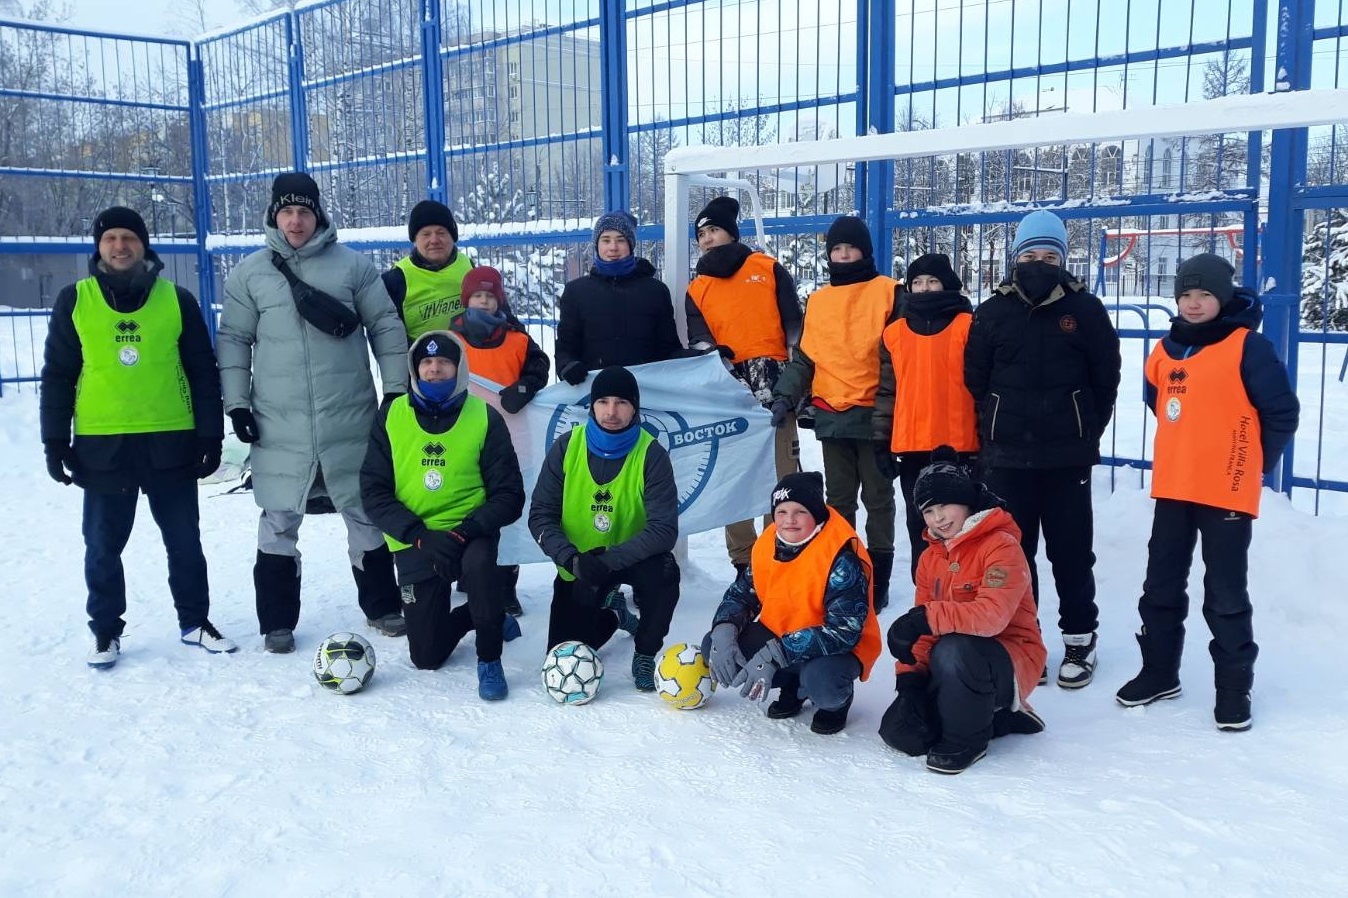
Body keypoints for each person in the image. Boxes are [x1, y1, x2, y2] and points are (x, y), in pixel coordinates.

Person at [217, 172, 410, 654]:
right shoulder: (250, 274)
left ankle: (383, 606)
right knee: (278, 518)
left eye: (305, 211)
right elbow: (234, 340)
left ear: (318, 215)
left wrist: (397, 390)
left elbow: (385, 324)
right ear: (274, 215)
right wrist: (237, 403)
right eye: (287, 211)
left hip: (349, 418)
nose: (296, 220)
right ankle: (277, 622)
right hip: (279, 422)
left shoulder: (353, 267)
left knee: (363, 512)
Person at [40, 206, 236, 667]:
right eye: (111, 239)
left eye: (129, 238)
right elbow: (59, 376)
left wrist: (210, 435)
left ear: (143, 245)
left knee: (185, 541)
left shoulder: (176, 299)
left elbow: (202, 372)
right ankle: (105, 631)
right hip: (103, 447)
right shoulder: (76, 300)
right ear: (99, 247)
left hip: (171, 442)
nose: (121, 246)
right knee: (103, 546)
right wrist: (54, 441)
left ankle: (195, 622)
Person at [1116, 254, 1298, 731]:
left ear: (1223, 297)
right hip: (1174, 485)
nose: (1194, 304)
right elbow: (1161, 402)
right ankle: (1159, 673)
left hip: (1226, 490)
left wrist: (1250, 462)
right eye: (1186, 295)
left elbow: (1281, 412)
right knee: (1160, 585)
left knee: (1224, 592)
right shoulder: (1165, 348)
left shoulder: (1248, 347)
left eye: (1205, 295)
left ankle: (1233, 689)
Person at [964, 210, 1121, 688]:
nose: (1038, 262)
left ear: (1062, 259)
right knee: (1014, 553)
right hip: (1007, 457)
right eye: (1030, 255)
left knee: (1072, 553)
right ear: (1016, 259)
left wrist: (1083, 428)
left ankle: (1079, 637)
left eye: (1048, 255)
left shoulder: (1086, 310)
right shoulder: (992, 312)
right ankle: (1022, 638)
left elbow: (1105, 377)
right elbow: (976, 377)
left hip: (1066, 457)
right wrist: (996, 422)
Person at [360, 331, 526, 700]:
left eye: (444, 363)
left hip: (470, 533)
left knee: (481, 567)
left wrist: (468, 532)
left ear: (459, 368)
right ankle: (489, 613)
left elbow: (510, 494)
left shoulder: (484, 417)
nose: (434, 370)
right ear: (415, 370)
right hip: (417, 538)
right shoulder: (391, 416)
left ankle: (489, 658)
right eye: (427, 363)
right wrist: (418, 534)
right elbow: (373, 491)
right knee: (427, 656)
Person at [879, 446, 1047, 774]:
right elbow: (924, 631)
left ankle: (968, 740)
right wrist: (909, 680)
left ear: (966, 501)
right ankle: (1001, 718)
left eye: (944, 506)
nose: (938, 519)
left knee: (954, 649)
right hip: (953, 660)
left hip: (1011, 655)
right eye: (928, 511)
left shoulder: (1001, 545)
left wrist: (924, 619)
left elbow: (991, 617)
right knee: (901, 732)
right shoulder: (930, 558)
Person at [770, 215, 902, 610]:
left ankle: (878, 579)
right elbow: (806, 359)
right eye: (836, 250)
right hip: (833, 414)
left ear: (866, 250)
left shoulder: (889, 292)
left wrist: (893, 407)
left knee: (879, 498)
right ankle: (846, 570)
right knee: (840, 500)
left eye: (851, 248)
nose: (843, 256)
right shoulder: (821, 300)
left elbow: (897, 356)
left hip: (876, 414)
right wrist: (783, 395)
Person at [527, 366, 680, 691]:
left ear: (635, 408)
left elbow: (664, 530)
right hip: (580, 564)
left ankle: (645, 651)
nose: (612, 411)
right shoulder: (567, 447)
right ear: (592, 406)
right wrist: (572, 560)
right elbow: (540, 515)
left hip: (629, 559)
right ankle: (615, 616)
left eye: (622, 402)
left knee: (665, 573)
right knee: (565, 655)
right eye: (604, 402)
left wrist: (608, 560)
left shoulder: (651, 454)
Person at [702, 471, 881, 735]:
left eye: (800, 512)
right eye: (782, 511)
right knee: (713, 645)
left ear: (817, 515)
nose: (789, 521)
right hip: (782, 632)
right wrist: (724, 629)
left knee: (823, 683)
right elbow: (743, 592)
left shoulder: (841, 556)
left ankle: (833, 703)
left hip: (835, 647)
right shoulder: (768, 542)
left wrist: (775, 655)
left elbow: (844, 632)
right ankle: (794, 685)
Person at [684, 195, 803, 579]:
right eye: (701, 233)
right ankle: (743, 560)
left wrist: (791, 384)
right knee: (734, 474)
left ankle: (782, 548)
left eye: (713, 229)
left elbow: (796, 329)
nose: (707, 238)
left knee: (782, 471)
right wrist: (714, 355)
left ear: (731, 233)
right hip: (727, 387)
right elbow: (700, 339)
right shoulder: (696, 288)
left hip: (774, 383)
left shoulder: (766, 268)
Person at [449, 264, 551, 616]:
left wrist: (524, 386)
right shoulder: (452, 341)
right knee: (465, 508)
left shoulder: (518, 338)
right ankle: (468, 573)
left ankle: (506, 587)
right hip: (461, 440)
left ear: (499, 301)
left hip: (511, 441)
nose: (483, 302)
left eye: (490, 297)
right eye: (476, 295)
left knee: (507, 516)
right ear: (466, 300)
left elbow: (539, 366)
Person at [873, 252, 978, 584]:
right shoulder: (895, 333)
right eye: (917, 282)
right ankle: (927, 591)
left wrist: (987, 441)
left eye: (932, 281)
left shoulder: (970, 327)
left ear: (947, 284)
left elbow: (983, 387)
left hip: (961, 444)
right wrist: (880, 440)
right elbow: (887, 392)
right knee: (920, 525)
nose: (925, 288)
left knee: (964, 524)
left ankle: (964, 591)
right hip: (913, 446)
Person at [554, 211, 683, 384]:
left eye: (621, 240)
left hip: (646, 392)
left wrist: (706, 357)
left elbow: (670, 350)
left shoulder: (656, 291)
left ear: (631, 245)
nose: (613, 247)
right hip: (594, 395)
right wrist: (567, 366)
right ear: (596, 245)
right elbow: (565, 348)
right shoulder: (575, 292)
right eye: (606, 240)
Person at [382, 200, 473, 341]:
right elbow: (387, 336)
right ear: (415, 239)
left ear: (452, 237)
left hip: (468, 357)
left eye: (441, 233)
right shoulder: (397, 278)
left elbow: (495, 310)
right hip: (419, 360)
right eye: (426, 234)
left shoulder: (468, 267)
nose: (434, 240)